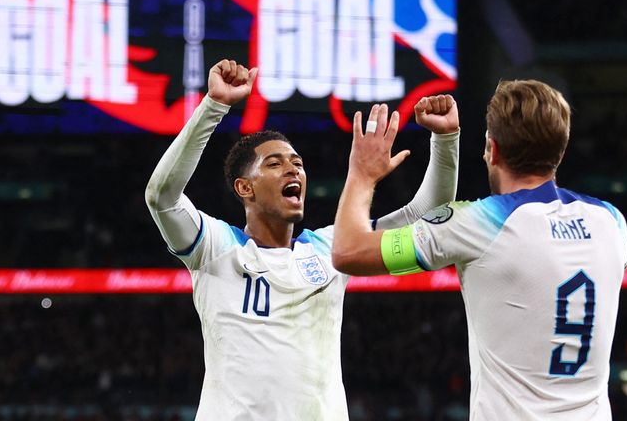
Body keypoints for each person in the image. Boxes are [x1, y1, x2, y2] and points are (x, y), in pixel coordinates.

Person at [144, 58, 461, 420]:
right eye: (274, 164)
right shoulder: (215, 248)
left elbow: (425, 219)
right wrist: (214, 106)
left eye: (297, 162)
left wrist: (446, 139)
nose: (293, 168)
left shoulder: (334, 249)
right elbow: (161, 197)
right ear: (245, 187)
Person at [332, 80, 627, 420]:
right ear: (560, 149)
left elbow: (347, 251)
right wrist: (445, 143)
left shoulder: (479, 223)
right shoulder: (611, 223)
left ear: (493, 148)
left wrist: (362, 173)